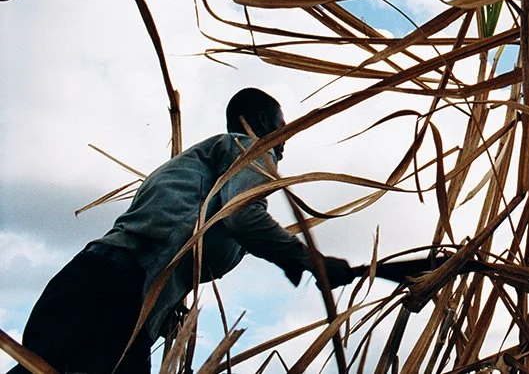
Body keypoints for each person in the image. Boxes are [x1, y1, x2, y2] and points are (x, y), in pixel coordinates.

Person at [8, 88, 355, 374]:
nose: (284, 143)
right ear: (262, 123)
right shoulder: (248, 146)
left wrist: (290, 262)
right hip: (117, 294)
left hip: (86, 281)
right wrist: (310, 260)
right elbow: (243, 218)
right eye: (283, 129)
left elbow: (224, 229)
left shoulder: (195, 169)